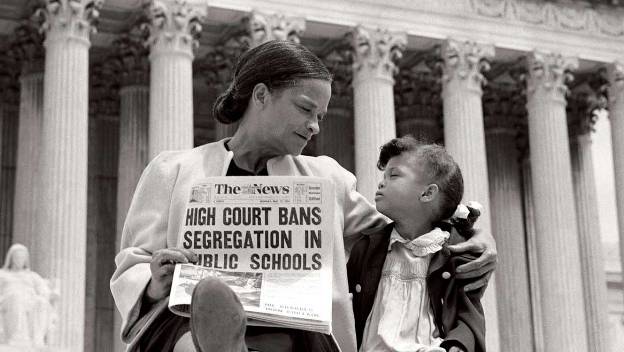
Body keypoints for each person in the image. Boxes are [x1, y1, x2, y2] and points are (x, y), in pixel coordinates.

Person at [110, 40, 497, 352]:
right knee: (190, 333)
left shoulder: (326, 178)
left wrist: (469, 232)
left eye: (321, 116)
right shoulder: (173, 171)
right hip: (192, 321)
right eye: (305, 108)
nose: (313, 126)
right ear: (261, 95)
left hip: (299, 330)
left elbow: (405, 230)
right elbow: (133, 264)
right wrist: (156, 281)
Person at [347, 137, 485, 352]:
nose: (381, 182)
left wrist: (458, 346)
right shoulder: (366, 249)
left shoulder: (454, 253)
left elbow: (468, 314)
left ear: (428, 193)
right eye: (383, 176)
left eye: (393, 175)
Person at [0, 243, 57, 347]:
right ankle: (17, 337)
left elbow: (43, 290)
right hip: (8, 300)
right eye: (17, 257)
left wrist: (51, 294)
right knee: (16, 297)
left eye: (22, 257)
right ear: (11, 258)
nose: (19, 260)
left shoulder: (32, 276)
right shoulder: (3, 274)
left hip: (29, 301)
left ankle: (37, 339)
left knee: (41, 302)